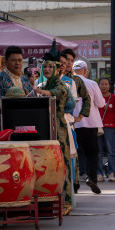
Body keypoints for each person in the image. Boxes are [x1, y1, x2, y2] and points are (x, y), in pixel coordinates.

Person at [33, 48, 74, 214]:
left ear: (59, 69)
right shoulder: (44, 83)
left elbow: (56, 93)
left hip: (59, 128)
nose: (47, 69)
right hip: (45, 126)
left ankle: (66, 202)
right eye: (45, 66)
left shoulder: (60, 85)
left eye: (51, 66)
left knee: (62, 164)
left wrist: (42, 92)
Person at [72, 60, 106, 194]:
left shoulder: (68, 83)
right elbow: (101, 103)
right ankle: (92, 178)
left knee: (73, 154)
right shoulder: (91, 83)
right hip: (89, 123)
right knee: (92, 153)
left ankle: (74, 183)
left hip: (72, 123)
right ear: (86, 71)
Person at [0, 46, 33, 137]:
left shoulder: (25, 80)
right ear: (6, 62)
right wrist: (13, 101)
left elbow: (32, 98)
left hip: (24, 125)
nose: (17, 63)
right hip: (3, 126)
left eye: (20, 60)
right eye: (13, 60)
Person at [98, 77, 115, 182]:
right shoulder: (96, 97)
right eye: (102, 84)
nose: (104, 86)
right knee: (98, 151)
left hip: (110, 128)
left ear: (109, 86)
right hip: (97, 127)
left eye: (106, 84)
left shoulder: (114, 98)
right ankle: (99, 173)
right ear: (98, 86)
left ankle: (111, 172)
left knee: (111, 151)